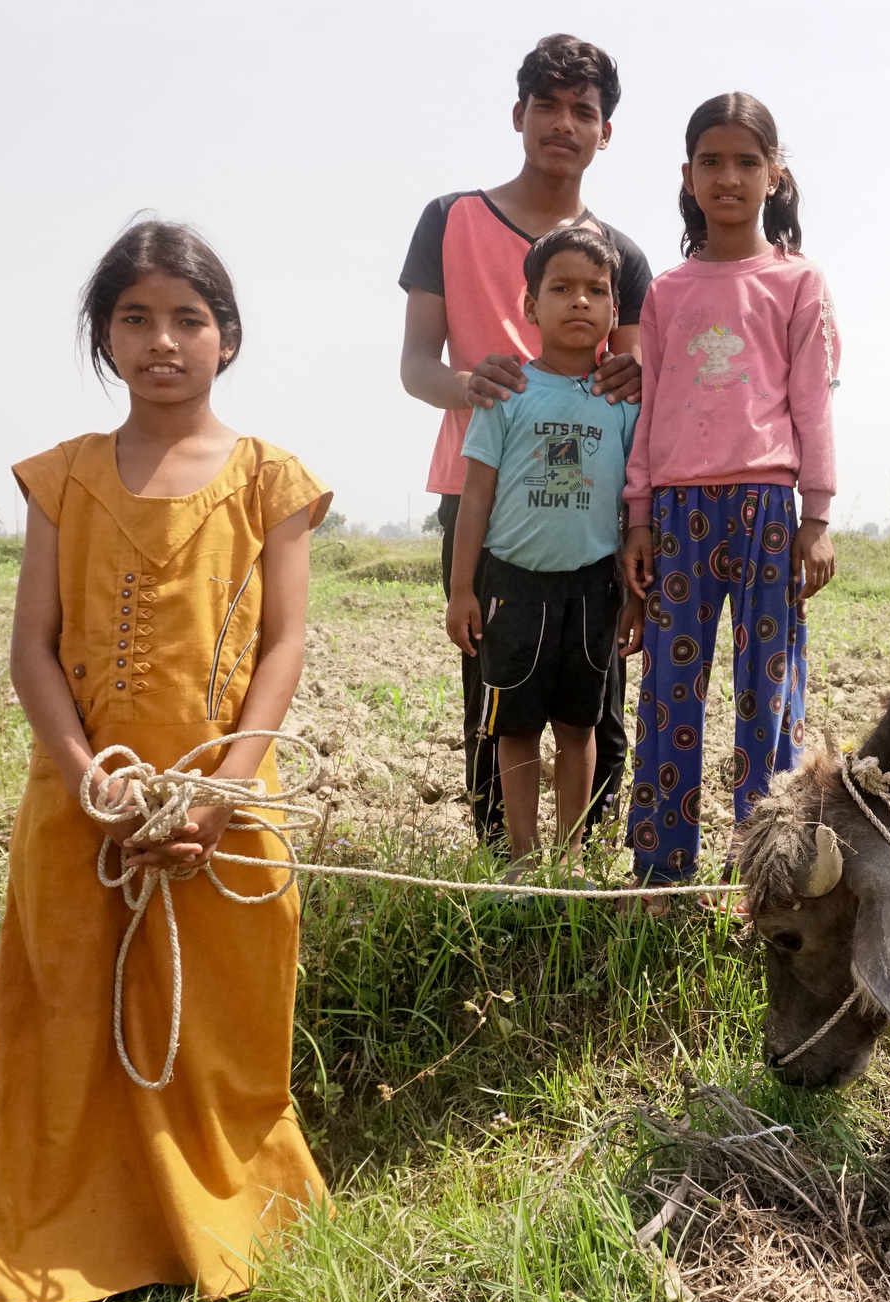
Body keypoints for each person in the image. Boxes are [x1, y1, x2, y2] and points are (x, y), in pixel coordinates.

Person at [0, 222, 331, 1302]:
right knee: (54, 1027)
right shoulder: (62, 479)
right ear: (104, 337)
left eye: (188, 318)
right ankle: (25, 1272)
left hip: (223, 812)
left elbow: (285, 644)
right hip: (82, 810)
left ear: (228, 337)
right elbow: (32, 650)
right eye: (136, 317)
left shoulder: (271, 481)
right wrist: (84, 774)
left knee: (215, 1036)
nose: (163, 340)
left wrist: (220, 797)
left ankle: (215, 1229)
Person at [399, 33, 652, 848]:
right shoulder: (449, 220)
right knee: (495, 690)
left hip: (591, 518)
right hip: (480, 493)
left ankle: (581, 867)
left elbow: (633, 385)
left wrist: (640, 379)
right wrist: (472, 389)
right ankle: (504, 866)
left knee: (594, 697)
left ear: (606, 131)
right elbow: (416, 364)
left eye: (585, 110)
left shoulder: (623, 260)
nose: (564, 123)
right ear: (519, 114)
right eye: (548, 105)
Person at [619, 93, 840, 895]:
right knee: (670, 696)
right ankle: (661, 871)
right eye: (711, 161)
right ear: (687, 174)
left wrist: (816, 516)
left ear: (775, 176)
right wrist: (638, 517)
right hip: (678, 512)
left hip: (766, 512)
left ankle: (769, 877)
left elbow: (813, 403)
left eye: (748, 161)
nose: (729, 177)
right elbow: (649, 413)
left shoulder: (797, 282)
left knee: (767, 697)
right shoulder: (669, 292)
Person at [445, 227, 639, 865]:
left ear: (615, 310)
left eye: (596, 291)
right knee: (517, 728)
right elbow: (475, 496)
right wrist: (462, 589)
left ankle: (572, 859)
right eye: (561, 289)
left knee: (580, 727)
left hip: (592, 585)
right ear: (531, 305)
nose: (579, 302)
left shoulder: (623, 401)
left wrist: (635, 596)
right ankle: (524, 863)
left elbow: (638, 499)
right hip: (514, 584)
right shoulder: (507, 392)